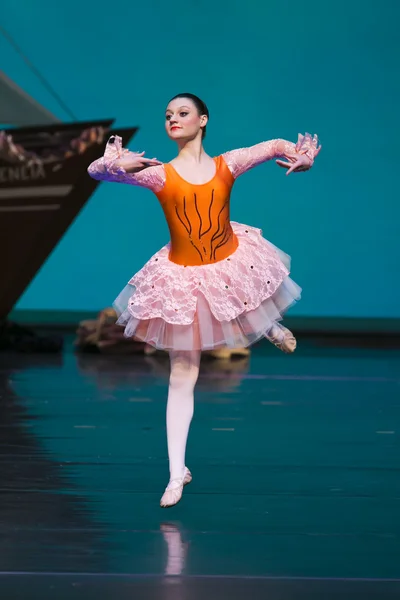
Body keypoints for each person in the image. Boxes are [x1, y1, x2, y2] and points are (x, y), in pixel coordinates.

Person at [88, 93, 321, 507]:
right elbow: (94, 172)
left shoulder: (225, 164)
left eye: (182, 113)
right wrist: (112, 164)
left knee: (238, 293)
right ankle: (177, 472)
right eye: (167, 115)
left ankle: (269, 325)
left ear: (203, 120)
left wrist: (302, 155)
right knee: (182, 372)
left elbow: (272, 147)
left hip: (230, 260)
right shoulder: (157, 173)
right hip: (181, 276)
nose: (173, 120)